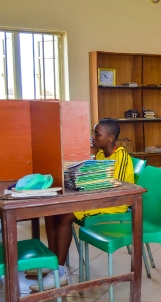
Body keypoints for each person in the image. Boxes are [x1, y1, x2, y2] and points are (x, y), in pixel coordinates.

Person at [31, 118, 134, 291]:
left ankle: (60, 274)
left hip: (113, 204)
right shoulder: (101, 154)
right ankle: (52, 261)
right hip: (97, 198)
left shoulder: (121, 157)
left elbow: (118, 190)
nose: (93, 137)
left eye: (97, 134)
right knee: (52, 212)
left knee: (65, 218)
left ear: (110, 138)